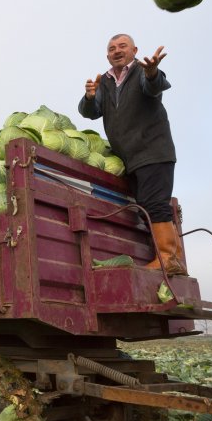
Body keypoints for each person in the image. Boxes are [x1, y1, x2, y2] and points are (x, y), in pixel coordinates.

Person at [79, 34, 188, 276]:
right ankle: (172, 260)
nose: (117, 51)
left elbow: (154, 86)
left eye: (122, 46)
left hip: (152, 151)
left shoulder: (141, 71)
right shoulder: (105, 82)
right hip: (130, 159)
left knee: (154, 204)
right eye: (111, 48)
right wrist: (89, 97)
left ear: (134, 50)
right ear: (107, 55)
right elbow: (91, 112)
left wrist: (151, 72)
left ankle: (168, 258)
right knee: (147, 207)